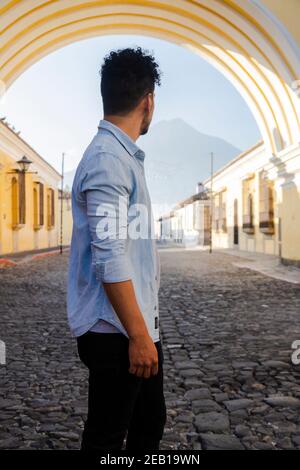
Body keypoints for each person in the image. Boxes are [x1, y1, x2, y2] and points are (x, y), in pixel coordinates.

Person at [67, 47, 166, 452]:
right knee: (108, 437)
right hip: (118, 332)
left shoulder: (121, 157)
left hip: (131, 324)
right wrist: (140, 337)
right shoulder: (109, 160)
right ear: (148, 102)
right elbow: (109, 257)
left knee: (148, 424)